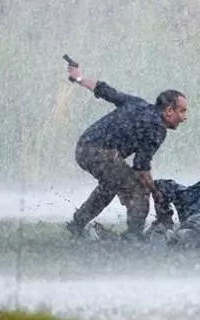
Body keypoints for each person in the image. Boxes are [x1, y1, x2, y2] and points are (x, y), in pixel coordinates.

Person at [64, 63, 188, 240]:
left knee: (110, 186)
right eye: (182, 111)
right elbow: (141, 168)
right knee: (139, 190)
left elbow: (106, 91)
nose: (184, 117)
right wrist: (157, 193)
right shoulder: (157, 128)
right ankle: (133, 239)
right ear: (169, 111)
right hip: (99, 152)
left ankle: (77, 225)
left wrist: (79, 77)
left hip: (83, 147)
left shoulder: (138, 104)